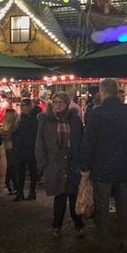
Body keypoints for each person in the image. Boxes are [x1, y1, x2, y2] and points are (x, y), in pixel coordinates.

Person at [80, 78, 127, 253]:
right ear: (117, 91)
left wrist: (85, 165)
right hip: (126, 165)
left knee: (102, 207)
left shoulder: (96, 114)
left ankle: (104, 240)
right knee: (125, 206)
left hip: (101, 167)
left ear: (103, 92)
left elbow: (88, 142)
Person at [35, 91, 85, 238]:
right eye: (55, 102)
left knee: (74, 196)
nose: (58, 105)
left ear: (66, 104)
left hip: (72, 163)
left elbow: (81, 140)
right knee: (60, 197)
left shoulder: (74, 121)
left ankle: (78, 224)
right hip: (55, 163)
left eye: (61, 102)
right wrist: (43, 163)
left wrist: (81, 161)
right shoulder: (46, 121)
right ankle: (57, 225)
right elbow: (40, 142)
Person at [13, 98, 41, 201]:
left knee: (32, 171)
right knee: (20, 171)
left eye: (24, 106)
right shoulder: (22, 117)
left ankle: (32, 191)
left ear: (30, 106)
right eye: (21, 106)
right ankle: (20, 192)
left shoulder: (36, 117)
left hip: (32, 147)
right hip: (22, 147)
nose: (22, 108)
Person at [0, 108, 19, 195]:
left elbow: (7, 134)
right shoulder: (7, 123)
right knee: (9, 169)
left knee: (11, 168)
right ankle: (11, 186)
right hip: (6, 148)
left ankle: (12, 186)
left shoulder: (14, 125)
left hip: (10, 149)